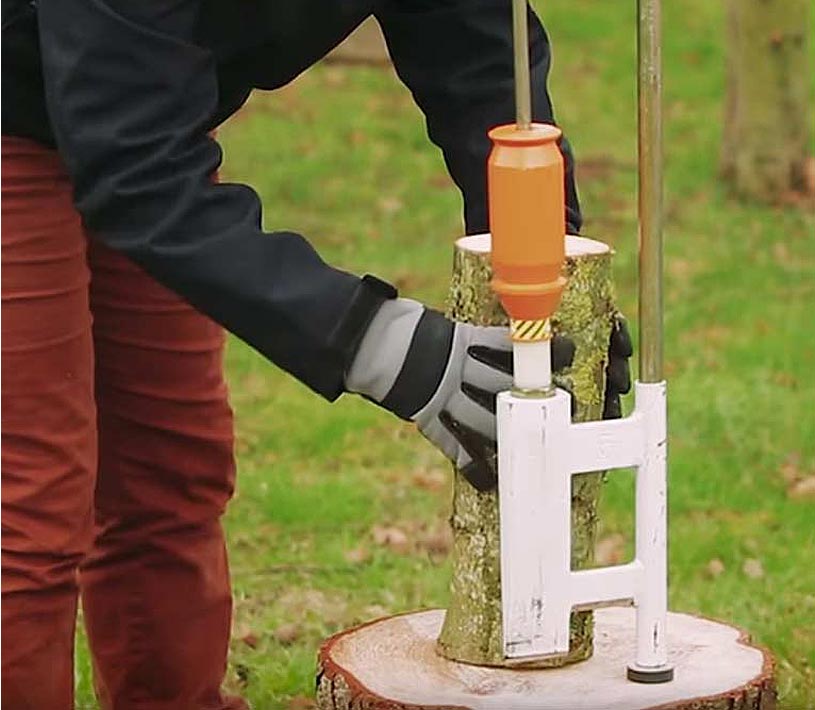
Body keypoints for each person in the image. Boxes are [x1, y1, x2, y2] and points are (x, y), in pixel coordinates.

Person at [1, 1, 632, 707]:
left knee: (168, 474)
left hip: (144, 116)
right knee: (26, 507)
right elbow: (134, 174)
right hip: (39, 112)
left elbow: (479, 60)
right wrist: (387, 347)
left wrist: (545, 272)